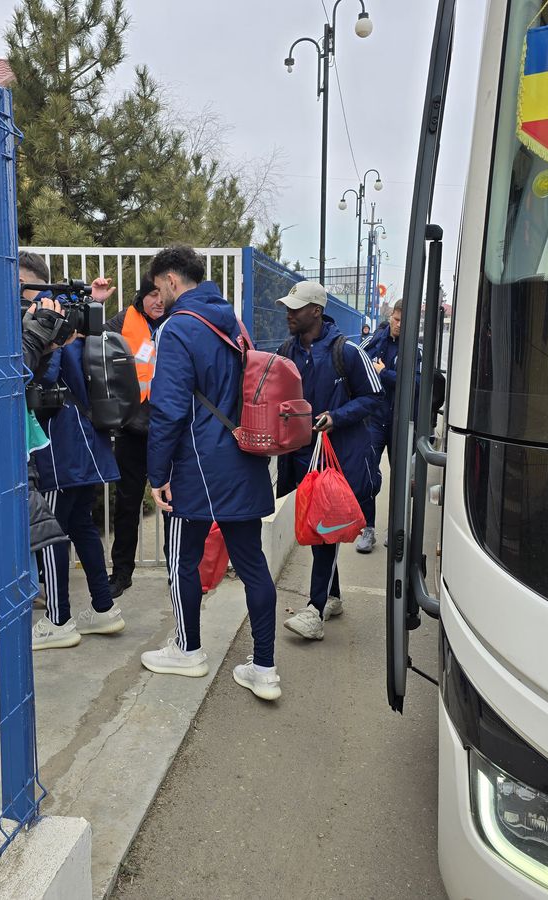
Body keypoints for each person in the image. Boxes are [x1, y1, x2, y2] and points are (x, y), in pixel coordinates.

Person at [142, 245, 281, 701]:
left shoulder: (179, 328)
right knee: (253, 564)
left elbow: (167, 409)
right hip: (244, 457)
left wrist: (157, 472)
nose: (157, 295)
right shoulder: (234, 323)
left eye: (158, 286)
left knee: (183, 557)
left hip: (197, 467)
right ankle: (264, 668)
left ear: (171, 280)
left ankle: (188, 650)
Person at [20, 251, 126, 650]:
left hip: (59, 449)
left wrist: (42, 335)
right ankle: (103, 608)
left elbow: (42, 375)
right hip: (86, 444)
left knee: (50, 533)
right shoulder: (71, 317)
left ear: (30, 284)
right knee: (80, 525)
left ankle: (59, 619)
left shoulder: (50, 318)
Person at [275, 281, 384, 640]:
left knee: (323, 530)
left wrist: (336, 416)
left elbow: (373, 398)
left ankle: (314, 609)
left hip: (338, 458)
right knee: (320, 527)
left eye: (297, 307)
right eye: (289, 307)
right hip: (301, 455)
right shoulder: (287, 350)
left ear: (316, 311)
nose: (289, 313)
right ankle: (333, 596)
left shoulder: (348, 351)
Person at [104, 277, 167, 598]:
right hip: (132, 429)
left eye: (162, 295)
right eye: (151, 295)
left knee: (172, 503)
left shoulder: (176, 322)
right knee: (127, 504)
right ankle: (122, 572)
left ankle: (177, 570)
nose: (158, 301)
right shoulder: (122, 320)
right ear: (140, 295)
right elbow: (91, 339)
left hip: (167, 431)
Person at [357, 299, 417, 552]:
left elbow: (414, 384)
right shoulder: (372, 343)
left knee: (400, 477)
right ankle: (367, 529)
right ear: (391, 316)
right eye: (396, 319)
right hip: (374, 420)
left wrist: (384, 374)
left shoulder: (415, 349)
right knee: (368, 474)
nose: (399, 325)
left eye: (404, 321)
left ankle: (395, 530)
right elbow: (357, 367)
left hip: (400, 421)